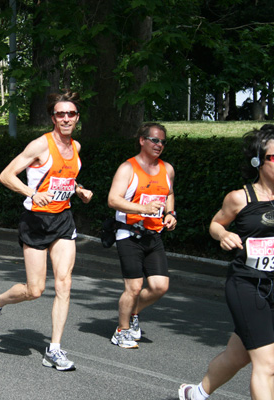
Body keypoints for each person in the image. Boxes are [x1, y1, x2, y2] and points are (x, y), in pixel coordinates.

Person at [0, 90, 93, 371]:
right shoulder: (40, 146)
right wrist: (31, 192)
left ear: (77, 117)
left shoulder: (76, 147)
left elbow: (64, 178)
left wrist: (79, 190)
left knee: (64, 283)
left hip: (63, 221)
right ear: (53, 118)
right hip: (36, 222)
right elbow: (6, 175)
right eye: (60, 114)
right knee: (35, 289)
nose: (66, 118)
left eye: (71, 114)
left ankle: (54, 349)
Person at [179, 125, 274, 400]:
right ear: (258, 160)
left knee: (237, 356)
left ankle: (196, 393)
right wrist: (224, 234)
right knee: (267, 365)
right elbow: (215, 224)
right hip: (248, 284)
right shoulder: (239, 198)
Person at [107, 123, 176, 349]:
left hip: (153, 234)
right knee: (134, 287)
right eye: (155, 140)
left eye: (163, 142)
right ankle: (122, 330)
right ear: (142, 140)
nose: (159, 145)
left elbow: (169, 194)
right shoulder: (128, 168)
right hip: (128, 233)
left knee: (159, 286)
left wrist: (170, 214)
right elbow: (113, 200)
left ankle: (133, 312)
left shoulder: (167, 169)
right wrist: (141, 209)